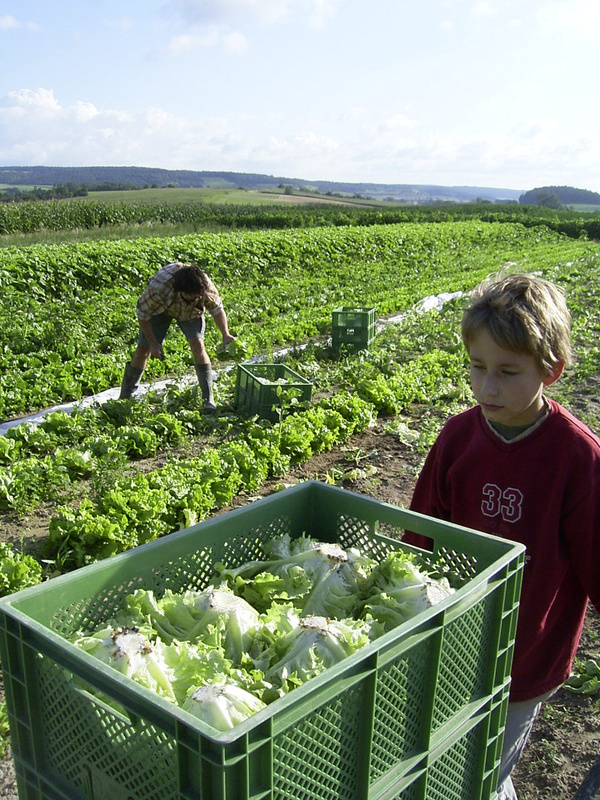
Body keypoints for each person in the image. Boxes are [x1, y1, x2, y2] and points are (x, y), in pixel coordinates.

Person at [402, 272, 600, 799]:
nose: (486, 387)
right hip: (454, 639)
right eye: (477, 366)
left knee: (482, 771)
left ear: (551, 371)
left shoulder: (576, 457)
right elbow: (420, 535)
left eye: (508, 371)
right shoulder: (458, 437)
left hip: (526, 654)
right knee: (457, 763)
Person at [119, 262, 236, 410]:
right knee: (143, 349)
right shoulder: (159, 290)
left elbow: (217, 309)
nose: (193, 299)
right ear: (179, 291)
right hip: (160, 311)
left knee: (198, 345)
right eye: (189, 297)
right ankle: (125, 398)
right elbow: (143, 315)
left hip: (191, 314)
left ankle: (208, 400)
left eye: (196, 297)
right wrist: (153, 342)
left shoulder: (206, 289)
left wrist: (225, 334)